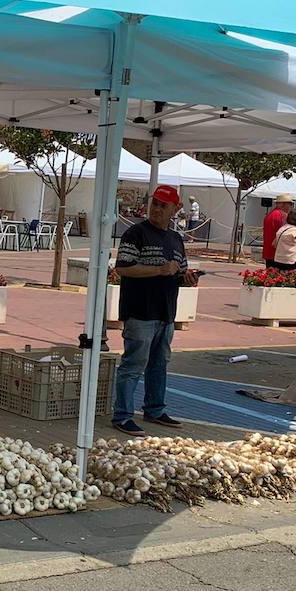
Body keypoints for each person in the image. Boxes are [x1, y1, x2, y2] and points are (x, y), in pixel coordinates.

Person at [111, 184, 198, 434]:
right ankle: (123, 415)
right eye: (155, 203)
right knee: (133, 364)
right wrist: (159, 270)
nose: (157, 209)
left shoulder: (176, 239)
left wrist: (186, 278)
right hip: (140, 311)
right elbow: (123, 268)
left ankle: (155, 409)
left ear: (176, 209)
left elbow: (177, 272)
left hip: (165, 313)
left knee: (159, 363)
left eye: (163, 205)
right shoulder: (135, 234)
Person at [262, 192, 293, 269]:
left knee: (270, 276)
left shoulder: (270, 214)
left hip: (269, 251)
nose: (290, 207)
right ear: (283, 204)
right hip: (279, 253)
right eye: (290, 204)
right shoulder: (283, 216)